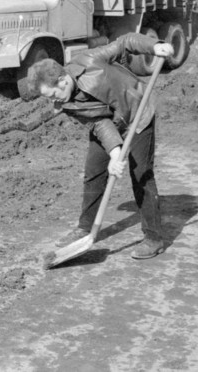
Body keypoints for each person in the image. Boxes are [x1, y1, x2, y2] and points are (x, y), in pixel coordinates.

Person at [27, 33, 175, 260]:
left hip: (137, 113)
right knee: (94, 171)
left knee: (141, 175)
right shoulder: (65, 102)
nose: (53, 101)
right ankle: (85, 228)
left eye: (52, 94)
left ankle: (154, 238)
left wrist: (154, 46)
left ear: (63, 80)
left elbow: (124, 43)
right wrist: (115, 154)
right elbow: (99, 123)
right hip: (107, 121)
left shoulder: (90, 61)